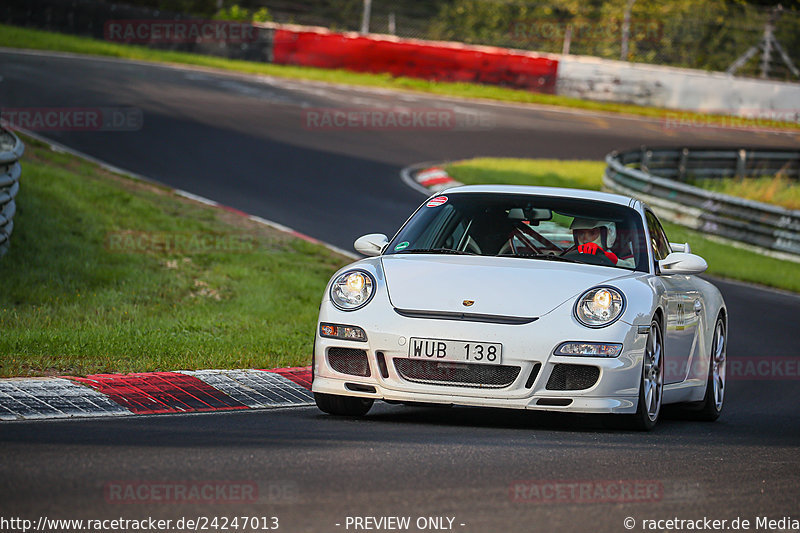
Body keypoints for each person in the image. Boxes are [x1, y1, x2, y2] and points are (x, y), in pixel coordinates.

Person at [569, 218, 635, 268]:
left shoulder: (628, 258)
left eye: (592, 233)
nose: (585, 240)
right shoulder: (570, 253)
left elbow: (632, 268)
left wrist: (613, 260)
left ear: (609, 233)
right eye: (581, 233)